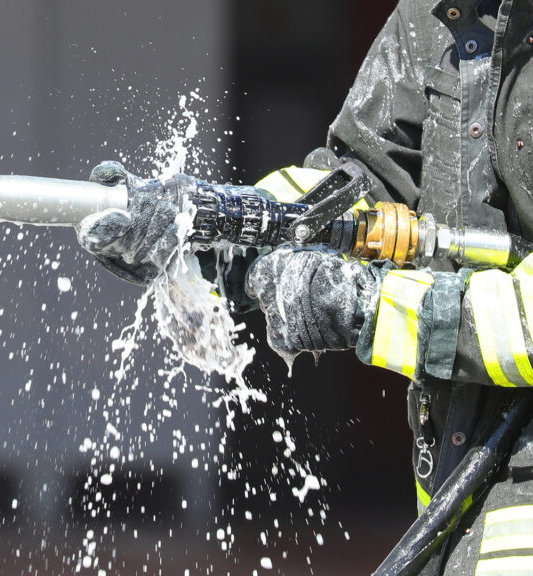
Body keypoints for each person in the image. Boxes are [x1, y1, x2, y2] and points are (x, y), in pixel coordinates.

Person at [78, 1, 533, 574]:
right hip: (459, 509)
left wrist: (368, 307)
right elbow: (357, 184)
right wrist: (212, 229)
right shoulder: (433, 18)